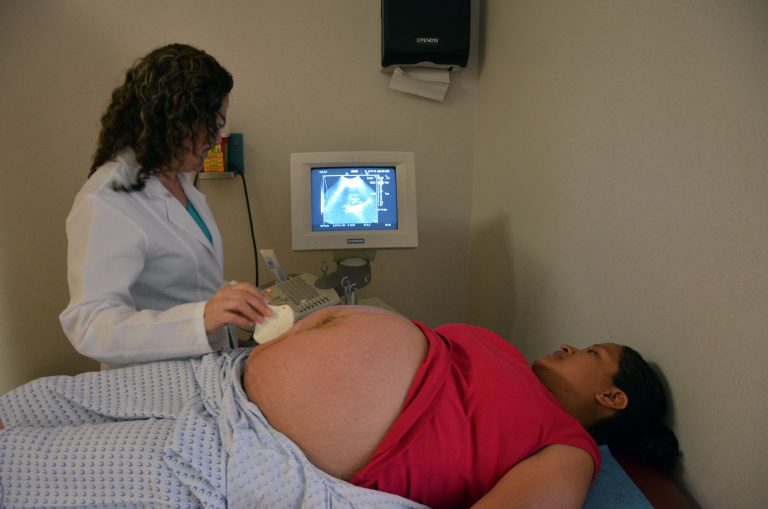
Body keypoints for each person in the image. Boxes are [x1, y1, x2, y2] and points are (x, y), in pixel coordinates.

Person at [0, 306, 679, 509]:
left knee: (17, 466)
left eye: (592, 352)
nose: (571, 345)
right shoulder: (508, 357)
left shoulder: (568, 452)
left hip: (246, 455)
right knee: (33, 402)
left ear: (611, 396)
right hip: (220, 380)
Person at [58, 44, 272, 367]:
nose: (216, 140)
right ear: (174, 118)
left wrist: (234, 302)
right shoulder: (107, 200)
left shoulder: (177, 180)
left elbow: (186, 282)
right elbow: (90, 326)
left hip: (205, 368)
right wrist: (201, 319)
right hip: (153, 380)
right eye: (213, 124)